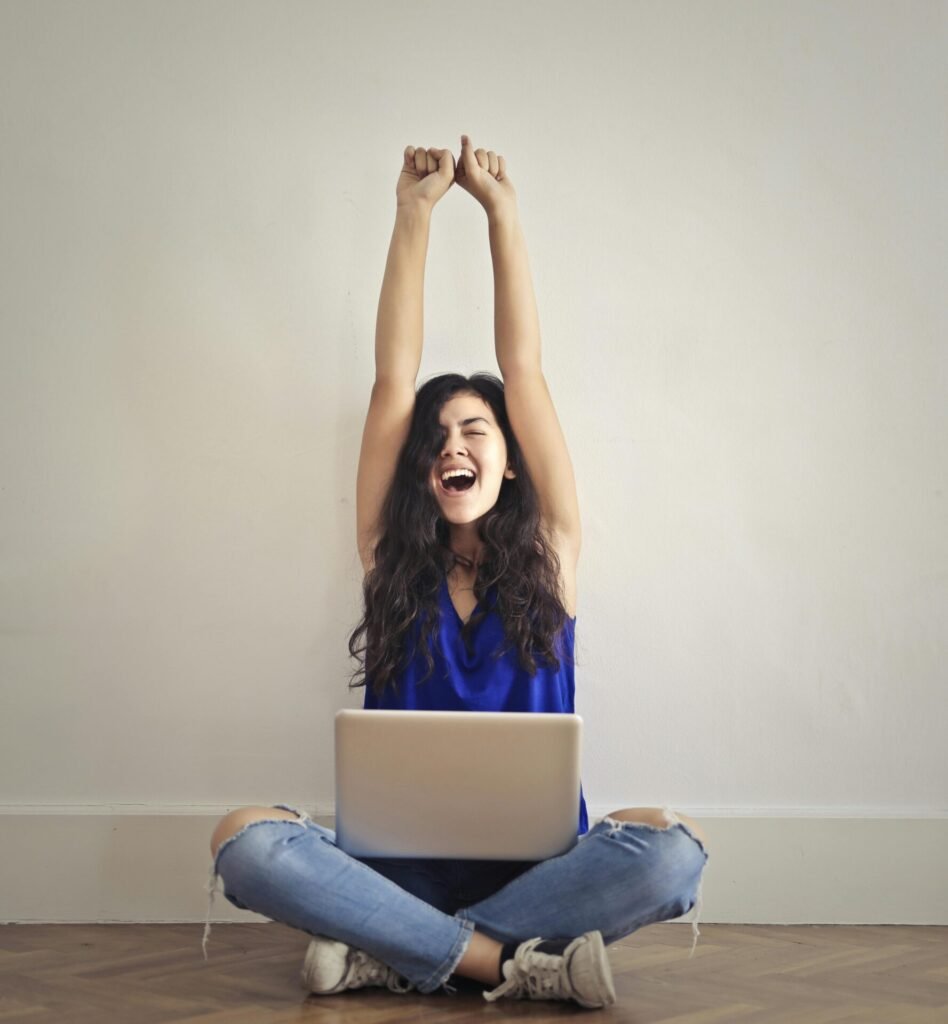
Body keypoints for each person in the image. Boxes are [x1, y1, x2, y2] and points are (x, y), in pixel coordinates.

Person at [202, 136, 709, 1008]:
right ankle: (505, 965)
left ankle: (392, 954)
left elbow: (526, 372)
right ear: (420, 470)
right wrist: (414, 213)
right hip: (395, 873)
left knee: (673, 850)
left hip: (539, 873)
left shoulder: (552, 552)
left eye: (475, 430)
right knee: (241, 839)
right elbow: (391, 383)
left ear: (511, 462)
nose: (452, 444)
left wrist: (502, 214)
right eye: (438, 438)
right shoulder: (388, 560)